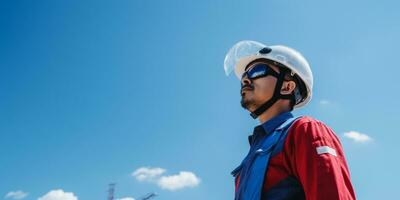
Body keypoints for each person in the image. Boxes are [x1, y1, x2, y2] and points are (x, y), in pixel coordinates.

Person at [224, 41, 356, 200]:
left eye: (257, 71)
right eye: (244, 76)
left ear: (287, 87)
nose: (246, 80)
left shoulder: (304, 130)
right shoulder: (250, 157)